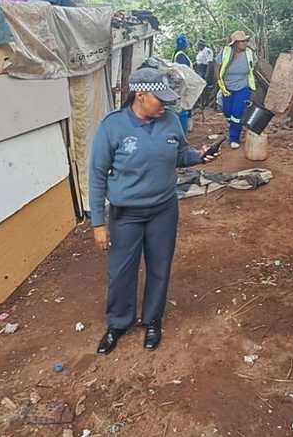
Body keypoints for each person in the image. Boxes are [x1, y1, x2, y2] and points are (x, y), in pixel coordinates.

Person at [88, 67, 215, 354]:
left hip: (163, 210)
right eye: (161, 100)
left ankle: (152, 320)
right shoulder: (113, 126)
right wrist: (98, 223)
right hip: (126, 214)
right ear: (141, 96)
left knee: (160, 267)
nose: (166, 106)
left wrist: (199, 156)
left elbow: (180, 154)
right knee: (121, 271)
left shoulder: (170, 121)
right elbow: (96, 175)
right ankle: (119, 323)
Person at [217, 30, 256, 149]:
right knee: (228, 112)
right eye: (242, 42)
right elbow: (216, 67)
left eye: (246, 41)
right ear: (235, 43)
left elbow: (254, 67)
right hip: (227, 87)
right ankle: (235, 125)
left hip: (243, 87)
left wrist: (254, 88)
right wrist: (219, 82)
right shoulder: (225, 52)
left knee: (237, 112)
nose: (245, 43)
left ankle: (234, 137)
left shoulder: (249, 53)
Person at [171, 35, 192, 132]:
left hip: (182, 84)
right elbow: (183, 72)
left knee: (183, 107)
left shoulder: (178, 54)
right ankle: (183, 130)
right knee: (183, 108)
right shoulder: (181, 56)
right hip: (183, 85)